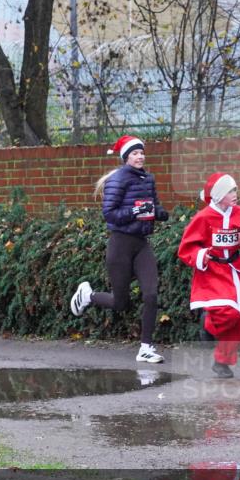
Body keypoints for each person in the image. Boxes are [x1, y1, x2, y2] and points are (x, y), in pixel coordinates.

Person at [70, 135, 169, 364]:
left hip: (141, 244)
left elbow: (156, 207)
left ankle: (145, 348)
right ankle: (88, 295)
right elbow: (110, 214)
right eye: (134, 153)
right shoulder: (118, 179)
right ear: (126, 157)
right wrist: (135, 212)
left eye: (142, 152)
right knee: (120, 303)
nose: (140, 156)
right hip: (120, 244)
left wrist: (160, 213)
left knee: (151, 294)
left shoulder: (148, 178)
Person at [178, 173, 240, 378]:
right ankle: (208, 325)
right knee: (228, 311)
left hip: (235, 268)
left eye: (235, 189)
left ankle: (222, 361)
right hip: (213, 271)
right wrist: (202, 255)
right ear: (218, 195)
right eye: (230, 191)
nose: (235, 194)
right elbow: (186, 247)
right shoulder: (203, 217)